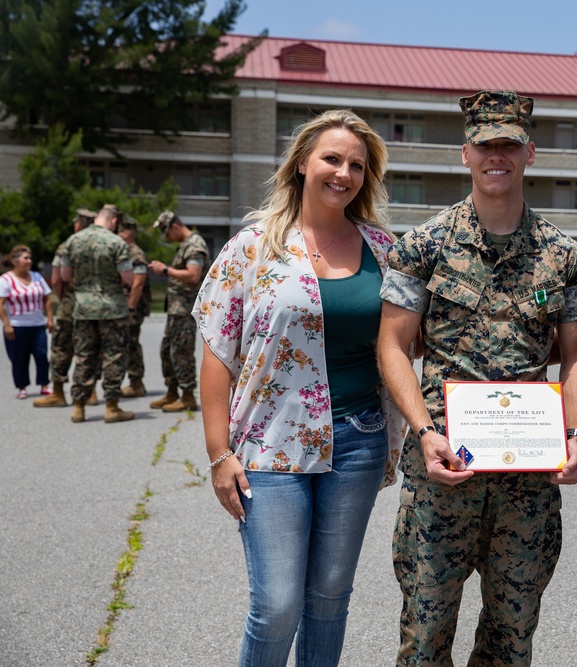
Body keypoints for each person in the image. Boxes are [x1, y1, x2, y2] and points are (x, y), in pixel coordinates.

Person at [378, 90, 577, 666]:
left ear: (530, 153)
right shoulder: (423, 246)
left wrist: (576, 437)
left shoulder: (564, 255)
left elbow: (575, 356)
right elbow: (393, 346)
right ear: (465, 154)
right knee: (424, 640)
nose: (496, 155)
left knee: (512, 637)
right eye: (484, 144)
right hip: (443, 467)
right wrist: (425, 434)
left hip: (527, 481)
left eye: (509, 144)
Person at [194, 109, 405, 667]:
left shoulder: (385, 250)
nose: (344, 173)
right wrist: (220, 454)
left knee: (330, 598)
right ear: (302, 164)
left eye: (357, 165)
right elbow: (217, 352)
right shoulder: (252, 247)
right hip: (268, 443)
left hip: (360, 437)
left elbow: (409, 340)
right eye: (332, 159)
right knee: (278, 603)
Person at [61, 204, 135, 423]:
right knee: (113, 356)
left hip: (83, 308)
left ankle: (78, 407)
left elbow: (65, 276)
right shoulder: (116, 242)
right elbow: (128, 278)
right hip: (112, 309)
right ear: (113, 221)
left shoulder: (72, 241)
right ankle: (111, 407)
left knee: (84, 356)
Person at [36, 209, 97, 408]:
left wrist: (64, 300)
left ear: (79, 224)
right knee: (88, 349)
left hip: (70, 304)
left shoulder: (68, 245)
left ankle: (58, 393)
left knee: (61, 349)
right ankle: (91, 392)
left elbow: (57, 279)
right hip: (92, 306)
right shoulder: (104, 243)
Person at [149, 211, 208, 412]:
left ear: (174, 226)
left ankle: (188, 396)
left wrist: (165, 270)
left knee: (182, 352)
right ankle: (172, 392)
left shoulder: (195, 245)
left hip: (185, 309)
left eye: (165, 232)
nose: (165, 237)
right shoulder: (185, 245)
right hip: (176, 309)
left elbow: (193, 275)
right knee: (168, 351)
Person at [0, 245, 54, 398]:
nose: (29, 261)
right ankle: (21, 387)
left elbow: (47, 299)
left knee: (42, 354)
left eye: (30, 258)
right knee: (19, 357)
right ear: (15, 261)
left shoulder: (37, 277)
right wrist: (7, 324)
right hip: (17, 325)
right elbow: (1, 304)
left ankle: (44, 384)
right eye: (25, 258)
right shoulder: (6, 280)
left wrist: (50, 319)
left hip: (37, 324)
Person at [118, 216, 152, 397]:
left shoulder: (135, 253)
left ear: (126, 232)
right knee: (126, 344)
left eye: (120, 231)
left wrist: (130, 308)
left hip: (133, 308)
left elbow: (138, 284)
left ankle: (136, 382)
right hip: (125, 307)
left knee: (131, 344)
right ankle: (133, 381)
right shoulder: (124, 251)